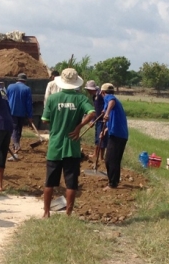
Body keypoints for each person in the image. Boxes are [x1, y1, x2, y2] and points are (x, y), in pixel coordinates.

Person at [41, 68, 95, 218]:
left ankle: (46, 212)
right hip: (72, 146)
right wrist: (78, 127)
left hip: (55, 146)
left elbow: (45, 119)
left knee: (49, 182)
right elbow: (92, 113)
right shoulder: (81, 99)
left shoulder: (53, 98)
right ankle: (68, 214)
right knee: (71, 183)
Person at [100, 83, 128, 191]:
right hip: (118, 134)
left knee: (110, 160)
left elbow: (111, 101)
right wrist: (105, 130)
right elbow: (113, 120)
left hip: (117, 135)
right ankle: (113, 181)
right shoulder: (113, 101)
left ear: (103, 93)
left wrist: (106, 113)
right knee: (114, 159)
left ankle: (112, 184)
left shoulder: (109, 98)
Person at [6, 73, 33, 153]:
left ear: (17, 79)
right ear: (25, 81)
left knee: (14, 128)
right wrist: (30, 115)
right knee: (18, 129)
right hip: (21, 112)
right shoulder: (27, 89)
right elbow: (29, 103)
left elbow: (6, 98)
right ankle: (16, 144)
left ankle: (15, 145)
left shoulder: (10, 86)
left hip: (11, 111)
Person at [84, 80, 107, 161]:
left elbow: (106, 104)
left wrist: (104, 111)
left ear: (91, 89)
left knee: (101, 138)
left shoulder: (101, 94)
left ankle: (101, 157)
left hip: (102, 120)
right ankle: (95, 154)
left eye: (88, 90)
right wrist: (93, 120)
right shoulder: (94, 96)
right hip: (97, 119)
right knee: (97, 138)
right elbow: (95, 109)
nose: (88, 91)